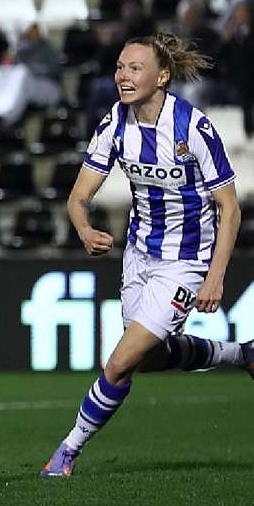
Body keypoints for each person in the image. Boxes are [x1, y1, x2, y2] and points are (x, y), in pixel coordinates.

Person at [41, 33, 251, 478]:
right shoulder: (115, 124)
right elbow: (78, 198)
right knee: (147, 359)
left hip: (186, 261)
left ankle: (66, 452)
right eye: (120, 66)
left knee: (117, 363)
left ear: (162, 76)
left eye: (134, 68)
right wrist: (83, 228)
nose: (123, 75)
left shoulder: (193, 127)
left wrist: (214, 277)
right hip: (138, 255)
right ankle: (241, 355)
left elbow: (229, 209)